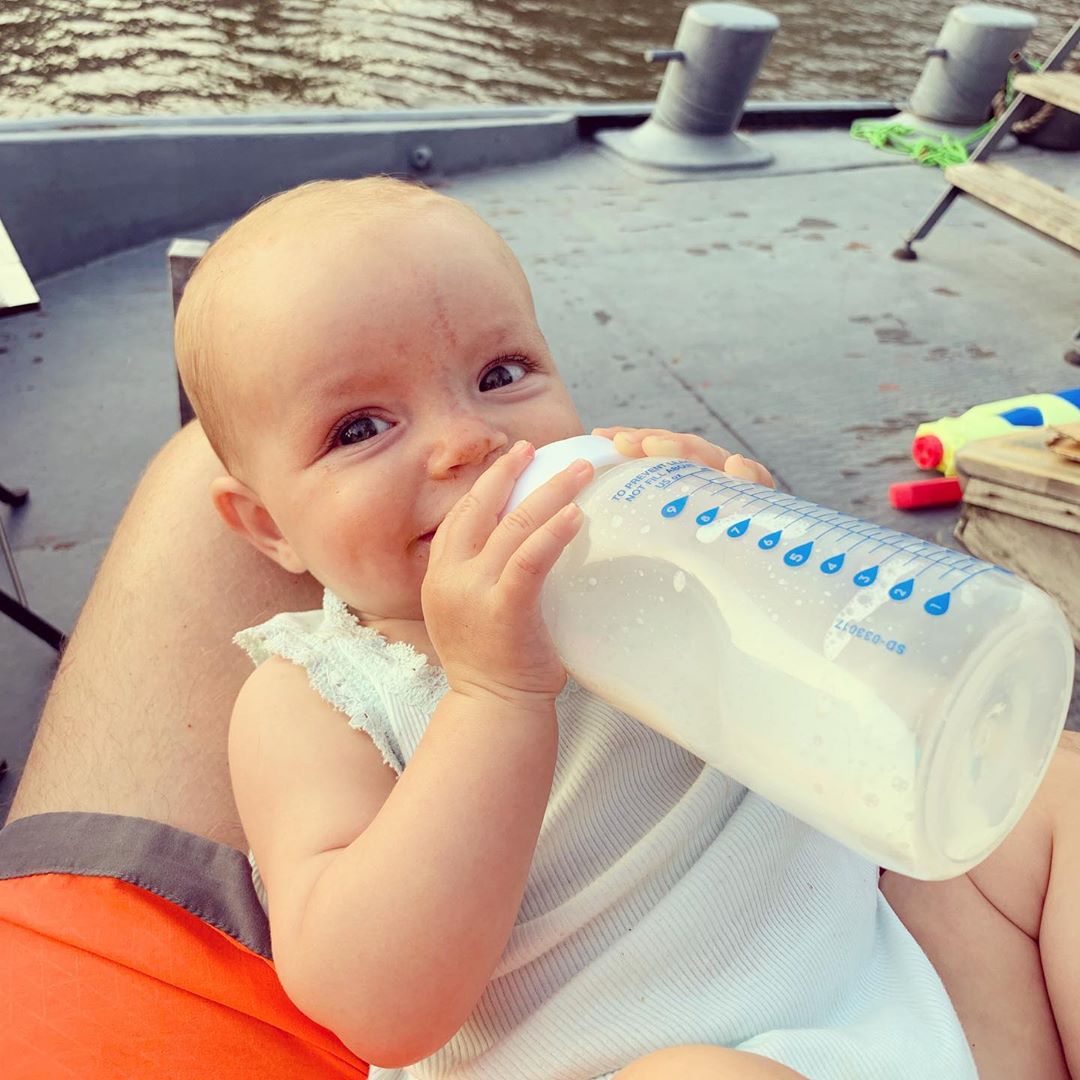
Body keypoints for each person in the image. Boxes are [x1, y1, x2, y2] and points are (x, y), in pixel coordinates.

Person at [0, 178, 1075, 1080]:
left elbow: (845, 731)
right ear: (269, 528)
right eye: (360, 427)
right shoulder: (315, 699)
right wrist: (494, 698)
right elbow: (378, 1010)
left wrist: (758, 558)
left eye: (500, 374)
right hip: (626, 1056)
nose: (466, 441)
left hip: (877, 966)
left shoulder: (638, 556)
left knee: (1057, 793)